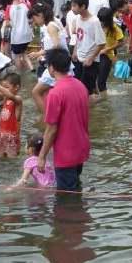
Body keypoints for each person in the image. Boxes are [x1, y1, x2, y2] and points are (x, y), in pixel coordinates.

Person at [37, 48, 90, 192]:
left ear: (51, 68)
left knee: (66, 197)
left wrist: (41, 156)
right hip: (81, 148)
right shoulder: (80, 86)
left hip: (65, 153)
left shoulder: (55, 93)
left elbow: (51, 129)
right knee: (75, 187)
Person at [70, 0, 105, 100]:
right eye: (72, 5)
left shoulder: (94, 21)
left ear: (83, 6)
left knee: (86, 92)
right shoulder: (78, 19)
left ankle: (93, 109)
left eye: (74, 6)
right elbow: (79, 37)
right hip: (79, 58)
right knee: (77, 89)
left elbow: (101, 43)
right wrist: (75, 51)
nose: (72, 9)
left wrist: (91, 58)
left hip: (91, 61)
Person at [96, 7, 123, 98]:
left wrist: (107, 49)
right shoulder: (96, 25)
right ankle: (98, 100)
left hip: (107, 56)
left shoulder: (115, 28)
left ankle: (104, 101)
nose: (101, 22)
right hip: (95, 54)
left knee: (101, 82)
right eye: (100, 20)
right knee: (93, 80)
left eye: (103, 21)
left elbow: (121, 42)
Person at [5, 0, 33, 74]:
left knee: (17, 56)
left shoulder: (9, 8)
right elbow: (30, 20)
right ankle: (32, 68)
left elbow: (7, 24)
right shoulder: (25, 6)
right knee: (24, 53)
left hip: (17, 36)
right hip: (27, 34)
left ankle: (20, 74)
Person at [0, 72, 23, 158]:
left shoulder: (18, 100)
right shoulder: (5, 98)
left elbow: (9, 95)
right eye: (3, 87)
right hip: (2, 136)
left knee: (11, 161)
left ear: (16, 87)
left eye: (6, 87)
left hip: (12, 138)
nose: (4, 90)